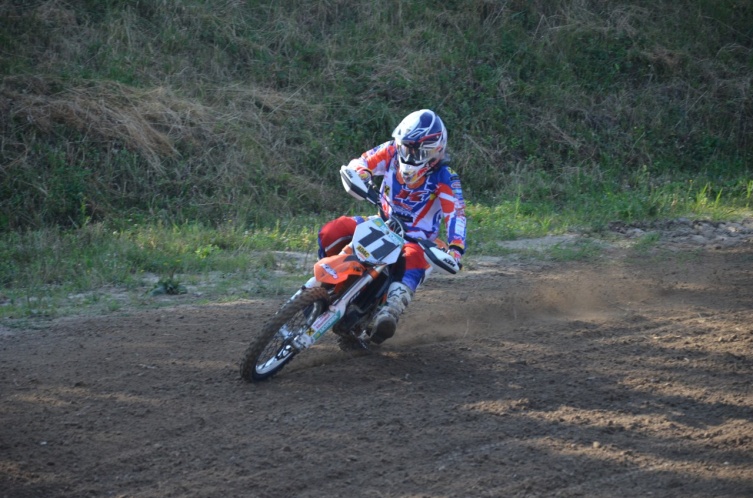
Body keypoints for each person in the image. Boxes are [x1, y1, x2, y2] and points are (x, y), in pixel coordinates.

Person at [317, 109, 467, 344]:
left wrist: (456, 248)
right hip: (381, 224)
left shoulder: (445, 177)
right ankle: (325, 287)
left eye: (418, 151)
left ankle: (390, 311)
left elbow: (456, 214)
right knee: (333, 230)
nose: (410, 155)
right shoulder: (391, 150)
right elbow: (363, 161)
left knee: (413, 257)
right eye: (407, 147)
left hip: (417, 240)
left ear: (435, 151)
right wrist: (362, 174)